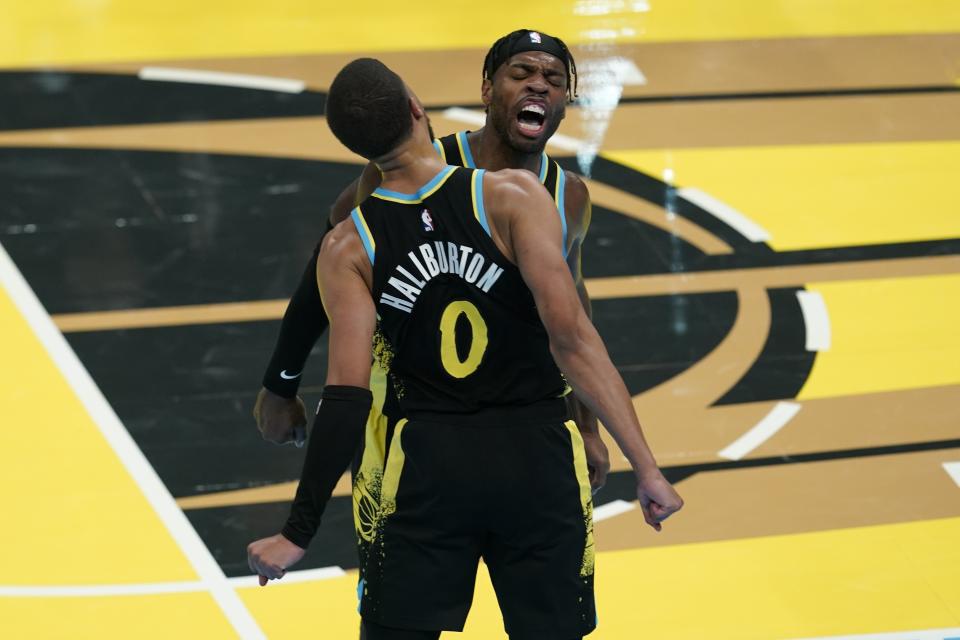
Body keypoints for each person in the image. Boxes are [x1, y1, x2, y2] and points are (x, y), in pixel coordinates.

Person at [247, 57, 682, 640]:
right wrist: (645, 466)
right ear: (418, 110)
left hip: (424, 465)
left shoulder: (349, 242)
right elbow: (574, 339)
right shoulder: (517, 197)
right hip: (537, 458)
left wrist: (298, 530)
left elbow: (345, 396)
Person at [253, 29, 610, 491]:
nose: (538, 84)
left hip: (520, 421)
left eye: (553, 79)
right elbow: (328, 263)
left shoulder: (570, 197)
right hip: (410, 424)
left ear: (564, 100)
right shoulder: (408, 169)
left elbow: (574, 317)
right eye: (521, 73)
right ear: (487, 89)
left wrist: (588, 426)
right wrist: (280, 384)